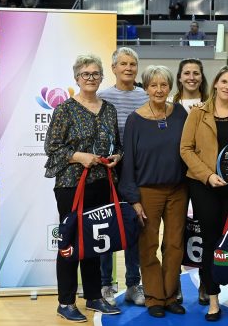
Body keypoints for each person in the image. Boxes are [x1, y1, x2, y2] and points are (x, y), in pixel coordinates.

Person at [44, 54, 122, 322]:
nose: (90, 78)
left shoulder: (109, 109)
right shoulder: (64, 109)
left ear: (102, 77)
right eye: (85, 74)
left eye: (95, 74)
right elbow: (52, 147)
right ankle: (65, 301)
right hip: (70, 185)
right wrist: (79, 156)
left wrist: (117, 157)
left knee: (94, 244)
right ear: (76, 78)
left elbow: (117, 144)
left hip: (101, 185)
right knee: (69, 244)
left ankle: (93, 296)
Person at [180, 66, 228, 322]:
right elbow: (186, 149)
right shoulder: (198, 113)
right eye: (224, 81)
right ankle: (212, 299)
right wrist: (207, 175)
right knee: (211, 242)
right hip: (205, 187)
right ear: (215, 84)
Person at [119, 65, 188, 318]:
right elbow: (128, 163)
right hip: (147, 191)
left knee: (174, 245)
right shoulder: (135, 120)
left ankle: (170, 295)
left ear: (170, 87)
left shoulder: (180, 113)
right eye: (153, 85)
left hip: (178, 190)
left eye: (164, 85)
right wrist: (133, 198)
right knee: (147, 246)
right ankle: (153, 297)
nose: (159, 90)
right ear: (145, 88)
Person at [96, 47, 148, 308]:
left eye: (132, 64)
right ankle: (106, 283)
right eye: (123, 64)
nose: (128, 68)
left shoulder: (145, 96)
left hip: (137, 172)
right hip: (108, 170)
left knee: (133, 227)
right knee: (106, 226)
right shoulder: (102, 96)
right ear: (114, 68)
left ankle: (132, 283)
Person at [169, 58, 209, 305]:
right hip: (175, 178)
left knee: (205, 232)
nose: (192, 77)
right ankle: (174, 286)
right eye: (187, 73)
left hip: (202, 177)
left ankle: (206, 283)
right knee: (175, 234)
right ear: (180, 77)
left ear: (201, 77)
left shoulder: (211, 104)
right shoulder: (169, 106)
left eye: (196, 73)